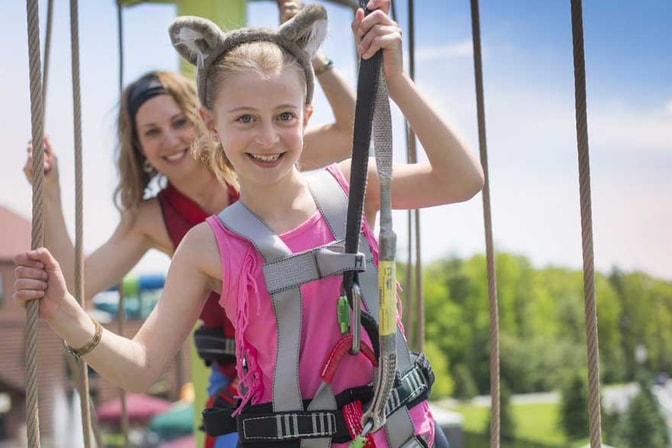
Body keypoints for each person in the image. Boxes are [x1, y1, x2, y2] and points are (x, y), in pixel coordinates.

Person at [15, 1, 483, 446]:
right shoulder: (202, 245)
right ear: (212, 124)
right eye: (244, 119)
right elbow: (141, 366)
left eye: (284, 117)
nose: (267, 138)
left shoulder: (352, 186)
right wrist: (67, 315)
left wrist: (394, 80)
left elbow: (462, 180)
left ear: (305, 116)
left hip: (402, 433)